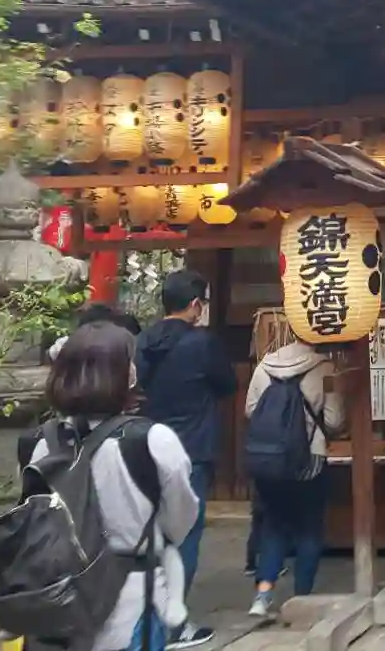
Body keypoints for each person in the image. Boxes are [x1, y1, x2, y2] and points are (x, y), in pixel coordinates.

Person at [36, 321, 202, 651]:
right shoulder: (153, 440)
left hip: (59, 604)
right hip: (131, 599)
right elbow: (180, 520)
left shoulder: (43, 443)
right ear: (122, 374)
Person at [135, 270, 235, 647]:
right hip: (192, 447)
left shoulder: (143, 341)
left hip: (145, 447)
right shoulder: (201, 343)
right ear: (195, 304)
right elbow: (227, 384)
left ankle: (145, 618)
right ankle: (174, 623)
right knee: (186, 534)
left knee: (149, 534)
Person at [242, 340, 347, 616]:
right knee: (309, 526)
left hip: (270, 459)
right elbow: (334, 420)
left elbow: (250, 410)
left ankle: (263, 595)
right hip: (310, 457)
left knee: (274, 524)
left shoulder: (263, 367)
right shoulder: (326, 369)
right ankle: (302, 596)